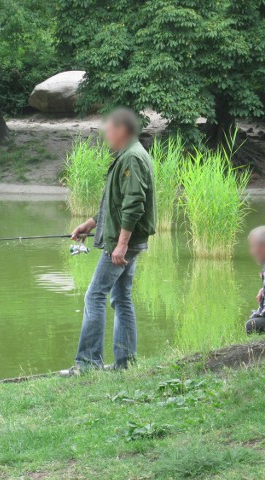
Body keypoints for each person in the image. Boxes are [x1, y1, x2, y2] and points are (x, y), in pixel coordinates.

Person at [61, 107, 156, 375]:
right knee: (121, 298)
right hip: (125, 240)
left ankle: (88, 363)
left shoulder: (133, 158)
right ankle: (125, 363)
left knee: (95, 295)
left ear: (123, 130)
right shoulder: (129, 155)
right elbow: (114, 204)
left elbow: (134, 204)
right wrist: (90, 225)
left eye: (109, 130)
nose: (106, 135)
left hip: (122, 243)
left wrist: (122, 244)